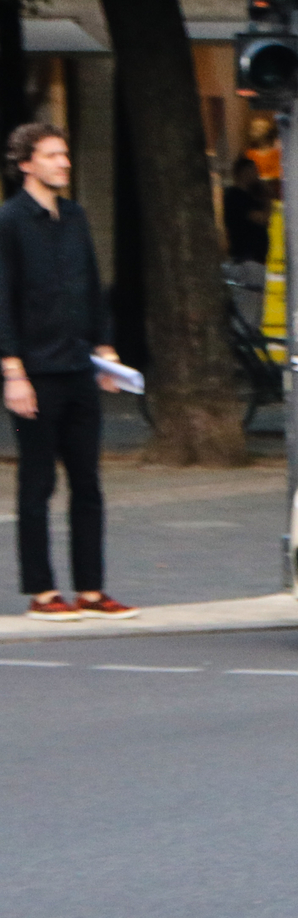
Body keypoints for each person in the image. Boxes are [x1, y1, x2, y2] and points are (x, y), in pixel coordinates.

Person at [0, 123, 130, 621]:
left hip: (79, 365)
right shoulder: (10, 221)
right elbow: (4, 301)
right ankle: (42, 591)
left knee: (88, 483)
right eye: (53, 155)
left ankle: (92, 590)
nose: (65, 163)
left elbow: (93, 286)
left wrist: (106, 349)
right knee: (37, 484)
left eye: (65, 154)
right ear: (27, 164)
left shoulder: (74, 216)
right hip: (35, 372)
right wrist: (13, 372)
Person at [220, 155, 270, 326]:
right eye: (253, 171)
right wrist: (266, 199)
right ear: (243, 173)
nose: (257, 176)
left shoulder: (247, 197)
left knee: (255, 314)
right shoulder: (235, 197)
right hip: (247, 261)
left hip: (255, 260)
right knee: (248, 315)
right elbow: (262, 218)